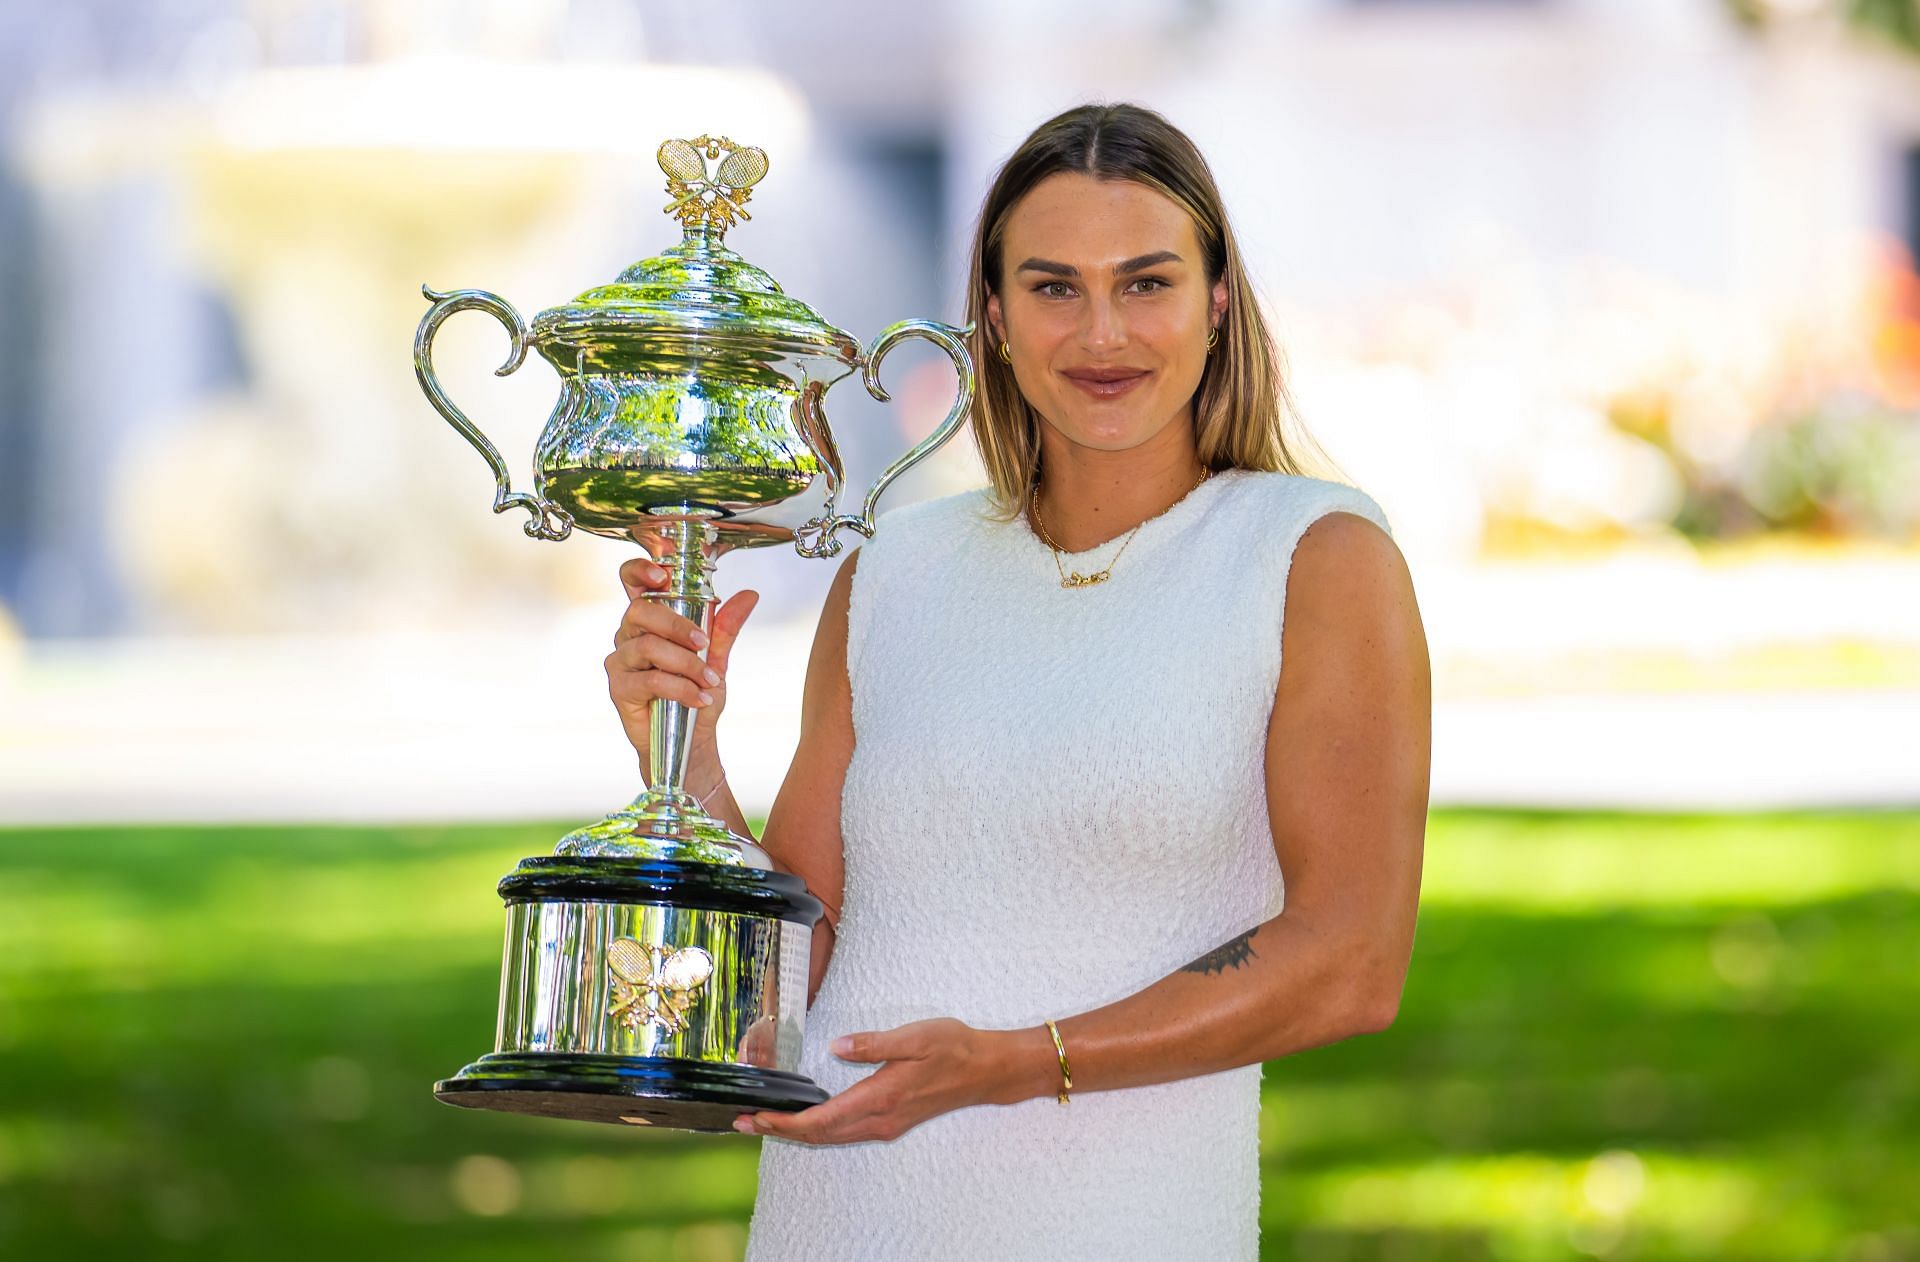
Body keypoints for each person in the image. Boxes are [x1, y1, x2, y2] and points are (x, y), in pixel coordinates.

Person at [604, 101, 1430, 1261]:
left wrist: (1012, 1063)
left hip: (1121, 1222)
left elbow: (1352, 962)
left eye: (1147, 283)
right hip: (838, 1218)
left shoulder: (1312, 556)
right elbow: (784, 976)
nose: (1103, 332)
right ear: (991, 314)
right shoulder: (897, 567)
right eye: (1053, 287)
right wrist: (682, 750)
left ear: (1218, 302)